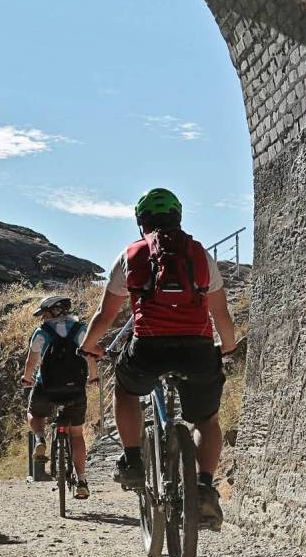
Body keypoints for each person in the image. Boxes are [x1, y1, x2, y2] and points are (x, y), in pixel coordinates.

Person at [78, 188, 241, 527]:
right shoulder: (199, 255)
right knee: (206, 420)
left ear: (141, 223)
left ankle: (134, 460)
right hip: (196, 348)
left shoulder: (132, 255)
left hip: (149, 347)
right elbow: (221, 315)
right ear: (179, 218)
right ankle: (204, 487)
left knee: (126, 390)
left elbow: (104, 316)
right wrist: (227, 346)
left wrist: (89, 346)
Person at [18, 295, 97, 499]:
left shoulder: (42, 333)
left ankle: (40, 439)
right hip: (75, 390)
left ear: (54, 312)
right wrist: (93, 376)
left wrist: (27, 379)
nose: (42, 318)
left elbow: (31, 361)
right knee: (77, 434)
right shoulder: (80, 330)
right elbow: (90, 355)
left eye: (44, 313)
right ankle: (81, 480)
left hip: (47, 389)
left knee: (33, 414)